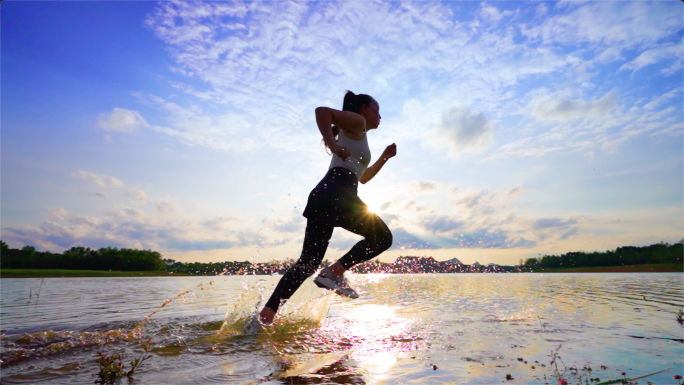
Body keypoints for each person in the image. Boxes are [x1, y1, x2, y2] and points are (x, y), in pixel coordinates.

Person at [244, 91, 397, 334]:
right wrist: (331, 142)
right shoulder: (356, 122)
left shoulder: (359, 135)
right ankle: (333, 272)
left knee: (307, 263)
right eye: (377, 110)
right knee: (383, 238)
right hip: (338, 193)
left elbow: (364, 177)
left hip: (325, 195)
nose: (381, 116)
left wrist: (384, 158)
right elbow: (321, 112)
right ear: (365, 110)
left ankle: (263, 319)